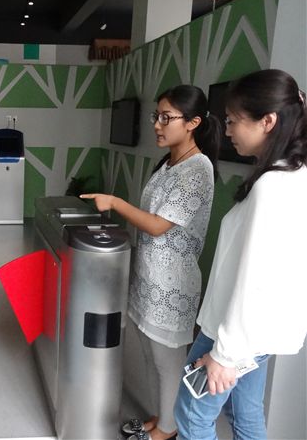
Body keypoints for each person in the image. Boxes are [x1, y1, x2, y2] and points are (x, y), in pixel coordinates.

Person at [81, 84, 222, 440]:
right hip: (148, 277)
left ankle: (169, 429)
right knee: (149, 355)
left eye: (166, 118)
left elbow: (158, 225)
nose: (157, 125)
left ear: (192, 122)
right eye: (156, 116)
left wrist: (114, 202)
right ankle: (162, 418)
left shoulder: (197, 169)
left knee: (166, 361)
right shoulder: (169, 163)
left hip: (172, 284)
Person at [173, 69, 307, 439]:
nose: (228, 130)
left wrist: (225, 354)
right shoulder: (294, 175)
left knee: (192, 417)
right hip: (257, 334)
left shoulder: (273, 186)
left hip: (233, 333)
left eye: (233, 121)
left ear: (268, 121)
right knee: (245, 416)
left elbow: (257, 279)